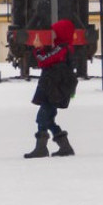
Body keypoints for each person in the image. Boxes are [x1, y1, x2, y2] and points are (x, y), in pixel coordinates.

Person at [24, 19, 79, 159]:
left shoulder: (62, 48)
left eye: (56, 32)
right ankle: (64, 146)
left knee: (42, 117)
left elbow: (44, 60)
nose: (53, 35)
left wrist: (37, 48)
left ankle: (42, 148)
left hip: (53, 89)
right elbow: (48, 59)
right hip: (53, 88)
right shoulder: (62, 48)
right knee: (47, 118)